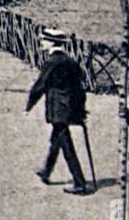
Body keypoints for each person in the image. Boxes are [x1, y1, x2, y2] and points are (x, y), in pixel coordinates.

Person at [26, 27, 92, 195]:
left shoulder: (52, 62)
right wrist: (80, 109)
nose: (42, 43)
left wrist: (29, 105)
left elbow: (40, 85)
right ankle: (46, 171)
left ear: (51, 43)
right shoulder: (71, 62)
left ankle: (80, 182)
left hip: (58, 109)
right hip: (70, 108)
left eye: (44, 40)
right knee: (57, 139)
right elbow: (79, 88)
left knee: (66, 144)